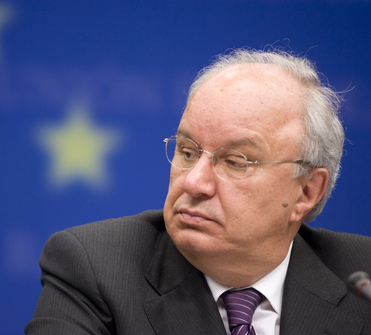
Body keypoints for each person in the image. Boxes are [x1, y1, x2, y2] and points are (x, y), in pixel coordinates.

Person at [25, 48, 371, 335]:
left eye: (236, 161)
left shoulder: (362, 282)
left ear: (307, 192)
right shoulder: (95, 270)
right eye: (187, 152)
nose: (194, 182)